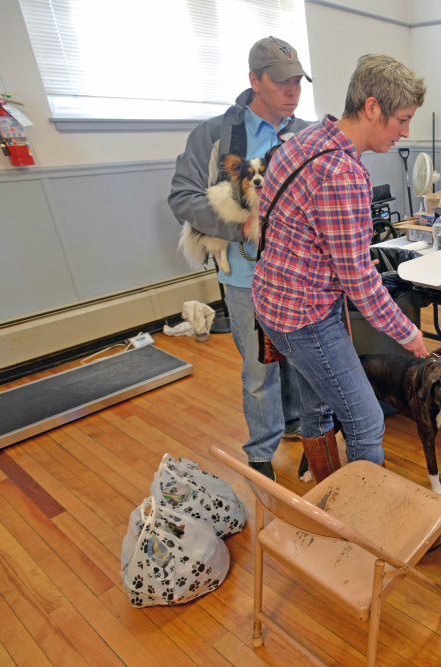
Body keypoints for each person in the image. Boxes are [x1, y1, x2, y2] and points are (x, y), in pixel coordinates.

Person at [251, 54, 430, 480]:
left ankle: (326, 491)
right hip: (305, 316)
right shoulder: (343, 173)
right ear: (372, 107)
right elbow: (360, 283)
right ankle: (361, 519)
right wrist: (409, 334)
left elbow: (274, 223)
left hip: (273, 301)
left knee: (317, 405)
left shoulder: (301, 141)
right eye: (402, 119)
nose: (406, 132)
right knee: (367, 421)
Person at [168, 36, 311, 481]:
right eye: (282, 81)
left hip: (299, 275)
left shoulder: (305, 133)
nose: (293, 90)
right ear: (254, 79)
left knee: (299, 360)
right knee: (258, 368)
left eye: (298, 81)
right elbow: (182, 195)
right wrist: (238, 228)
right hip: (245, 275)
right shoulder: (214, 135)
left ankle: (295, 424)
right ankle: (261, 455)